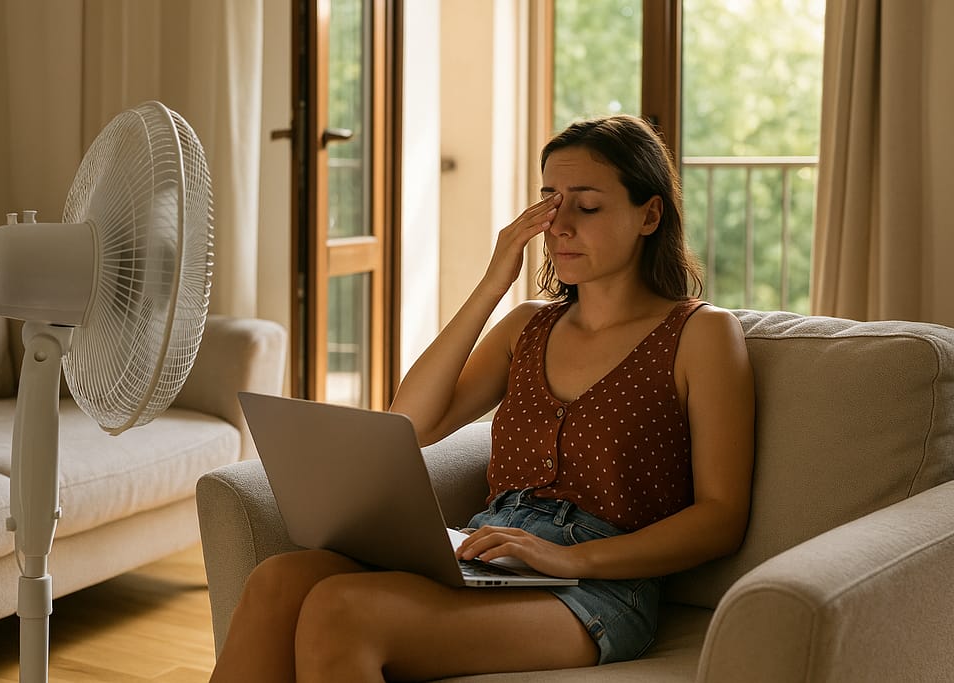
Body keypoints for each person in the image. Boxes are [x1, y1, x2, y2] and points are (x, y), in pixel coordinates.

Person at [209, 114, 755, 682]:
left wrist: (570, 558)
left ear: (650, 213)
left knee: (339, 612)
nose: (559, 225)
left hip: (600, 586)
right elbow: (412, 422)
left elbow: (721, 518)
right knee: (278, 581)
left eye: (586, 206)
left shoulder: (701, 335)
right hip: (486, 554)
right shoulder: (526, 328)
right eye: (549, 202)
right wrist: (494, 281)